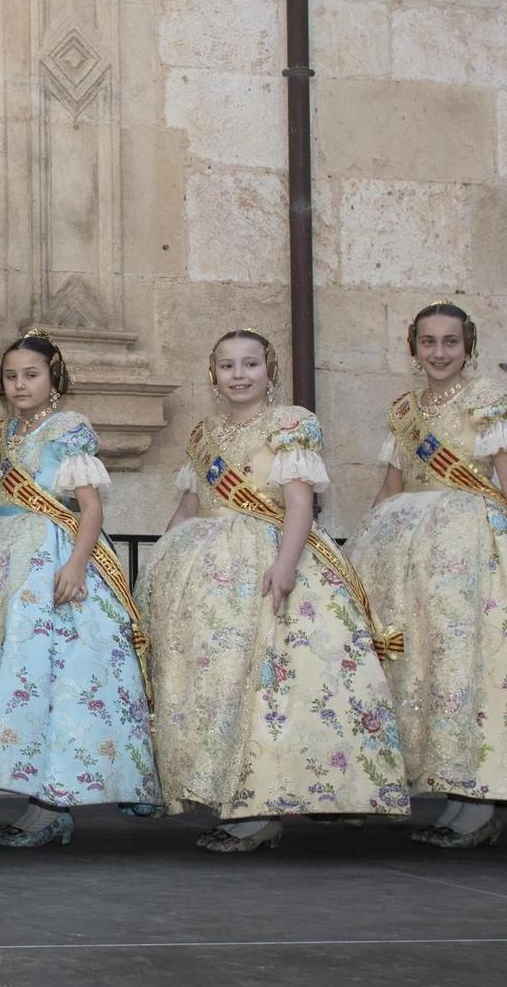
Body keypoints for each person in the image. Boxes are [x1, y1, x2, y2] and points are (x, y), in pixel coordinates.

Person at [140, 329, 408, 852]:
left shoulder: (291, 424)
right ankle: (229, 797)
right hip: (205, 572)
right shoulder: (203, 434)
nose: (238, 374)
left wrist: (285, 567)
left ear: (271, 370)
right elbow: (190, 505)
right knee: (218, 687)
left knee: (265, 687)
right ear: (212, 374)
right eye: (226, 365)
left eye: (250, 364)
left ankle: (261, 811)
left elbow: (300, 504)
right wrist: (159, 563)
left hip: (266, 563)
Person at [0, 332, 158, 847]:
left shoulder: (69, 429)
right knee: (2, 677)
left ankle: (52, 804)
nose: (20, 384)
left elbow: (91, 507)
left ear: (52, 377)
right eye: (11, 376)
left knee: (53, 677)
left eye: (30, 374)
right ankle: (24, 794)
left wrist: (78, 567)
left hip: (51, 557)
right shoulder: (3, 435)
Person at [347, 302, 507, 848]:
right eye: (428, 342)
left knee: (465, 665)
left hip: (467, 547)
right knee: (423, 667)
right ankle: (453, 794)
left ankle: (481, 800)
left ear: (469, 346)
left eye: (451, 342)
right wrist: (360, 549)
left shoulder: (487, 400)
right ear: (412, 348)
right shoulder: (403, 409)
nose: (439, 352)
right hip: (406, 549)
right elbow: (392, 484)